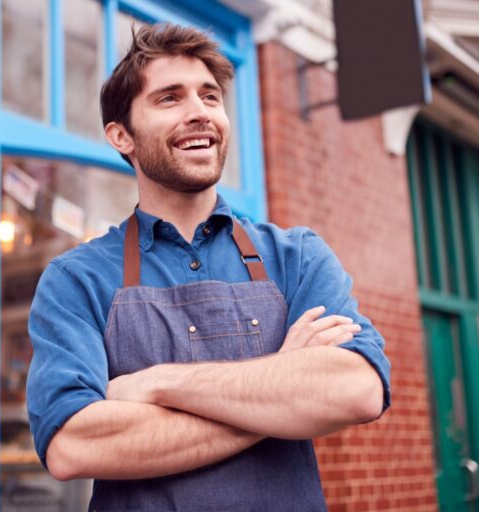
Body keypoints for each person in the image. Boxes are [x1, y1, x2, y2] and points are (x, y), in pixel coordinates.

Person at [26, 23, 391, 511]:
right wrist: (283, 389)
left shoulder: (297, 256)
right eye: (169, 99)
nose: (199, 112)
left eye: (210, 96)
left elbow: (356, 391)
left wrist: (157, 384)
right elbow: (74, 445)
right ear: (121, 136)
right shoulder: (78, 279)